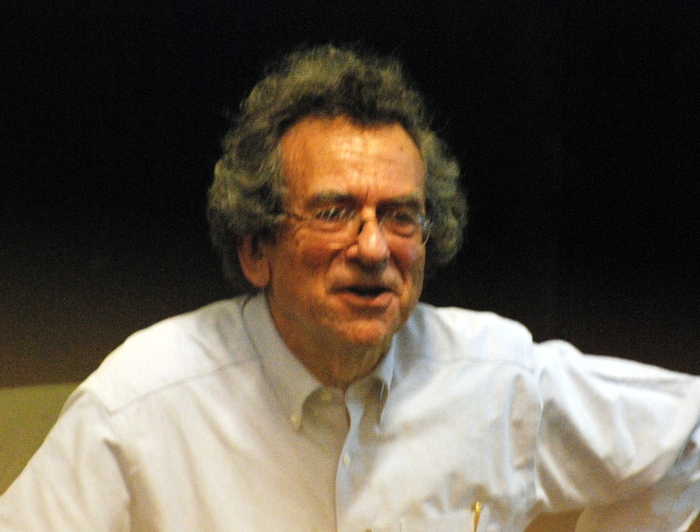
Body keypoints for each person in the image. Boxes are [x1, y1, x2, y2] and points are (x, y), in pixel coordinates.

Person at [1, 44, 699, 532]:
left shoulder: (496, 378)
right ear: (255, 249)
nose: (373, 248)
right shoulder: (139, 407)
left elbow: (687, 433)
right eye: (334, 213)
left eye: (401, 216)